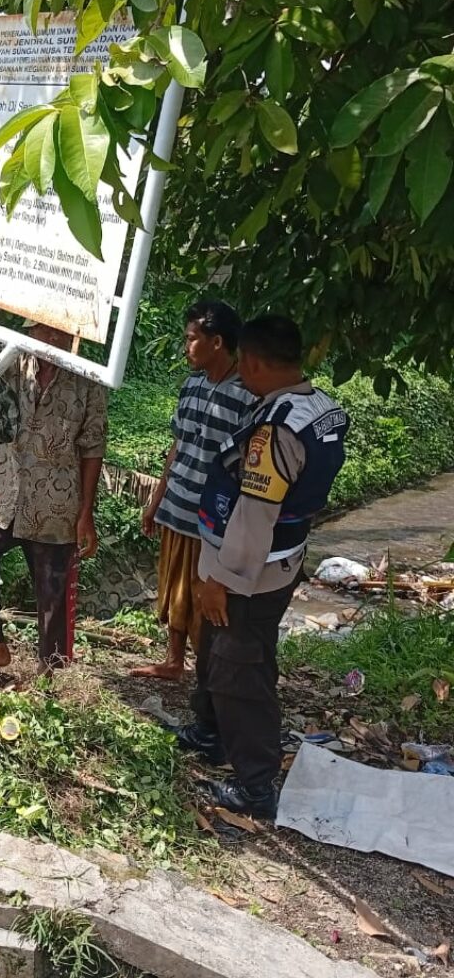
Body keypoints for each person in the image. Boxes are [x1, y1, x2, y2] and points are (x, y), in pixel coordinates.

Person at [174, 315, 349, 818]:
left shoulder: (275, 431)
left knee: (238, 669)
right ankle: (209, 733)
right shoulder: (316, 407)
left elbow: (254, 514)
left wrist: (221, 582)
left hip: (251, 570)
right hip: (281, 557)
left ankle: (256, 787)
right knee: (220, 648)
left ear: (250, 361)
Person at [0, 320, 108, 675]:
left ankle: (49, 676)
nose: (53, 338)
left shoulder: (87, 381)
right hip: (5, 494)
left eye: (61, 332)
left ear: (74, 335)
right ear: (31, 331)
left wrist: (86, 513)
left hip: (56, 504)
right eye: (44, 331)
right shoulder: (11, 361)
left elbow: (93, 447)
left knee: (52, 592)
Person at [133, 302, 256, 681]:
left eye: (191, 339)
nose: (186, 347)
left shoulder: (248, 397)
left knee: (204, 595)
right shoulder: (191, 386)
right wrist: (156, 500)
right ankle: (174, 660)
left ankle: (208, 671)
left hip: (212, 517)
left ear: (216, 342)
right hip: (177, 504)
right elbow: (178, 445)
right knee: (174, 590)